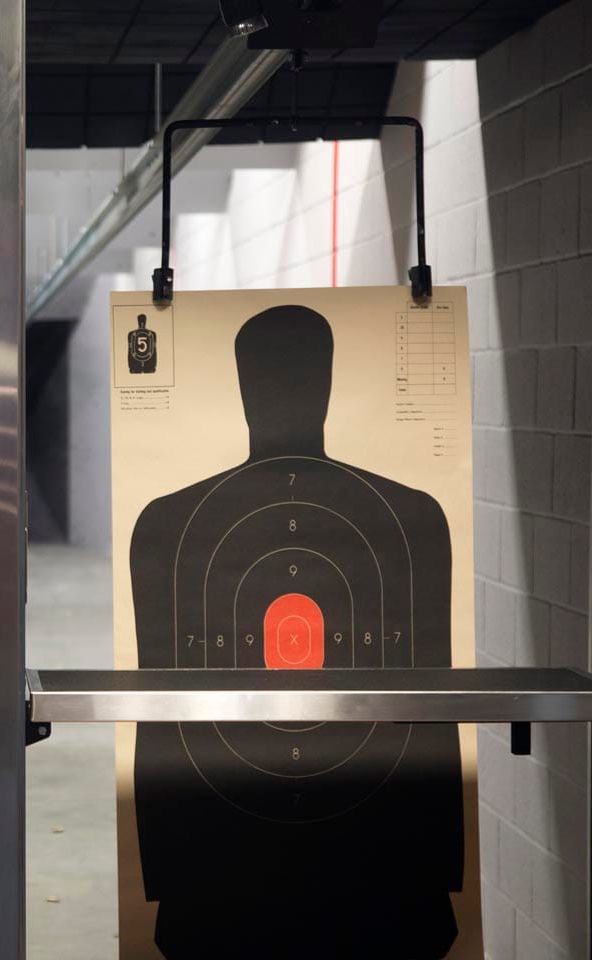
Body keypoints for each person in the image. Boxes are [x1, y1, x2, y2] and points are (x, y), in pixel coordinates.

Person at [130, 305, 463, 959]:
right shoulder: (413, 516)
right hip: (372, 868)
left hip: (227, 867)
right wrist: (432, 869)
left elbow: (430, 710)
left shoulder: (167, 523)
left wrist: (171, 871)